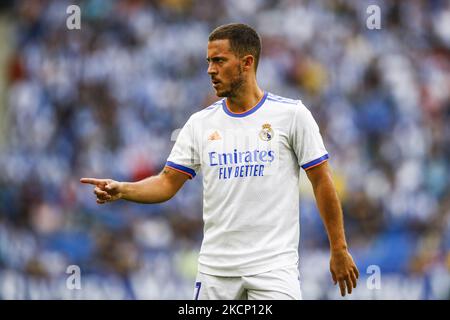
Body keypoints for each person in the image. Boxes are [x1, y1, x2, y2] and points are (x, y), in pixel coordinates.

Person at [80, 23, 359, 300]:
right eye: (209, 62)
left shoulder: (292, 115)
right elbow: (166, 183)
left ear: (247, 63)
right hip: (216, 273)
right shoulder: (200, 123)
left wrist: (339, 248)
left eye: (219, 61)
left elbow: (322, 181)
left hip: (273, 270)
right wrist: (123, 189)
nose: (210, 70)